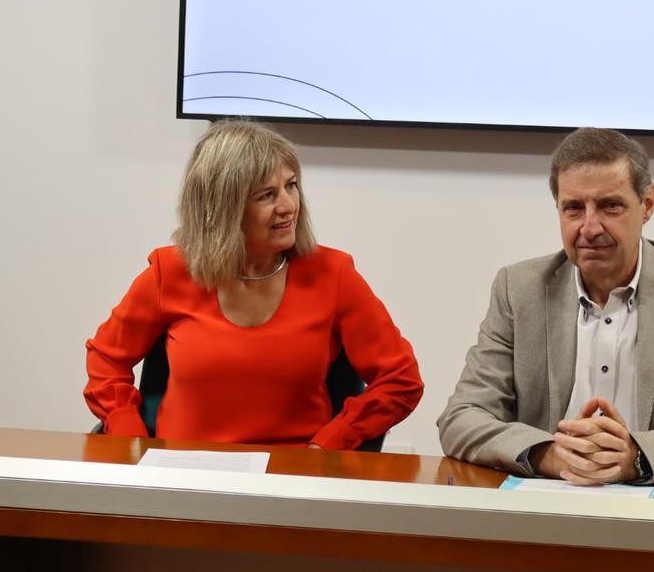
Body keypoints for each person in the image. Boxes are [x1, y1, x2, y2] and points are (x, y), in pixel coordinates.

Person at [437, 128, 654, 484]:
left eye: (610, 206)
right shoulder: (519, 289)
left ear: (648, 204)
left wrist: (637, 456)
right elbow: (461, 418)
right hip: (546, 505)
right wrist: (549, 453)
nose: (590, 228)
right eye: (574, 208)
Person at [85, 120, 423, 449]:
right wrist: (130, 436)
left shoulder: (333, 274)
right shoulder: (169, 272)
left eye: (291, 186)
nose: (288, 206)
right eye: (266, 195)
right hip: (183, 474)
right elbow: (106, 360)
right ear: (223, 208)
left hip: (292, 476)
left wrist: (333, 441)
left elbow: (400, 380)